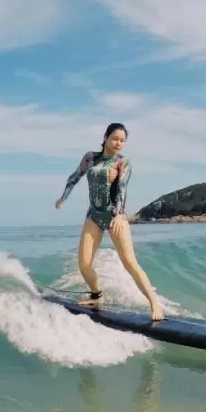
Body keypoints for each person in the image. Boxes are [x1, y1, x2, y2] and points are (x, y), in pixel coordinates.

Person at [55, 123, 164, 321]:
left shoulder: (123, 163)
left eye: (122, 140)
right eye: (115, 138)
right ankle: (97, 296)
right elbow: (74, 177)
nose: (118, 143)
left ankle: (154, 304)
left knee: (130, 262)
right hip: (94, 215)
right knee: (84, 263)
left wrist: (120, 214)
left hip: (115, 216)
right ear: (105, 137)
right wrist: (63, 197)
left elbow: (122, 189)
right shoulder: (90, 158)